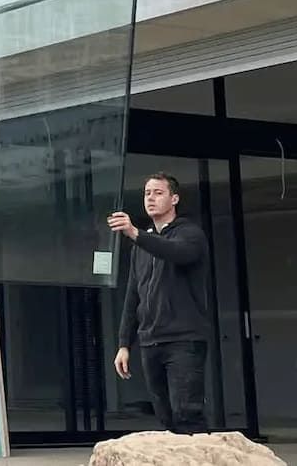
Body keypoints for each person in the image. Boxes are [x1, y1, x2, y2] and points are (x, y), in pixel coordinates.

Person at [107, 173, 211, 435]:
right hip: (150, 341)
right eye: (146, 193)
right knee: (166, 418)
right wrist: (123, 344)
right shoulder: (140, 247)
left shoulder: (190, 233)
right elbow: (133, 297)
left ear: (174, 198)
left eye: (158, 192)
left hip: (184, 340)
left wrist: (134, 233)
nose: (150, 198)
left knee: (187, 413)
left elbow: (178, 253)